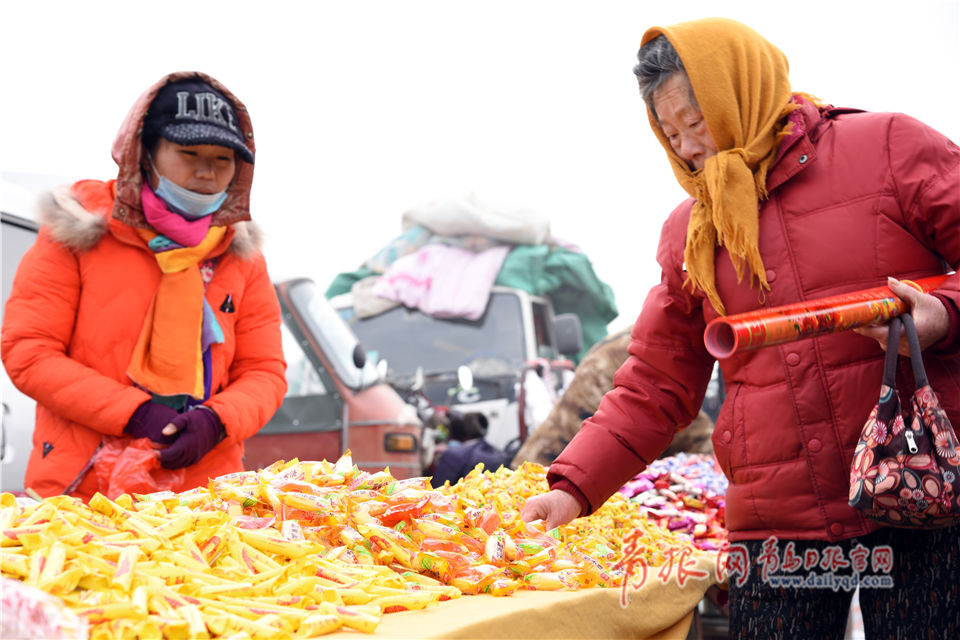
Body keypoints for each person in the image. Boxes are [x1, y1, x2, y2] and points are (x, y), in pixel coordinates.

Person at [521, 17, 960, 638]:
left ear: (739, 90)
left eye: (695, 122)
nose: (686, 148)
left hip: (921, 487)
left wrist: (944, 314)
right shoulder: (690, 230)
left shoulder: (888, 147)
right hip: (779, 517)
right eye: (670, 133)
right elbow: (655, 382)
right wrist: (571, 489)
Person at [1, 72, 287, 501]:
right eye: (188, 153)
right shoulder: (79, 232)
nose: (206, 172)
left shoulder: (240, 255)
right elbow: (29, 351)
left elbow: (264, 371)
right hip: (83, 491)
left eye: (223, 159)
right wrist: (133, 413)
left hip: (204, 496)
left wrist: (216, 421)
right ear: (144, 151)